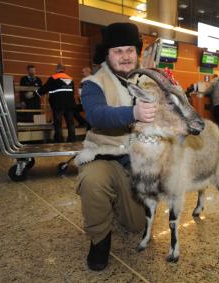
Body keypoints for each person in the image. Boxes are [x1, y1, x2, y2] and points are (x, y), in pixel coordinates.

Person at [75, 22, 156, 271]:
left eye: (129, 50)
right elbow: (97, 114)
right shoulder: (93, 83)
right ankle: (100, 240)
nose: (125, 56)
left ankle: (121, 208)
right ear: (107, 55)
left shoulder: (148, 80)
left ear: (137, 52)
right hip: (105, 155)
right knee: (93, 180)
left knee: (135, 225)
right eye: (117, 51)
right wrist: (134, 112)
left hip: (138, 164)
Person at [36, 64, 76, 142]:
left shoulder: (53, 77)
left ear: (57, 69)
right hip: (70, 104)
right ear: (64, 70)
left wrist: (36, 93)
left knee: (58, 123)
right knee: (70, 123)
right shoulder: (70, 79)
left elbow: (45, 88)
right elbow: (72, 92)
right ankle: (72, 139)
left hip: (58, 104)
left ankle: (59, 140)